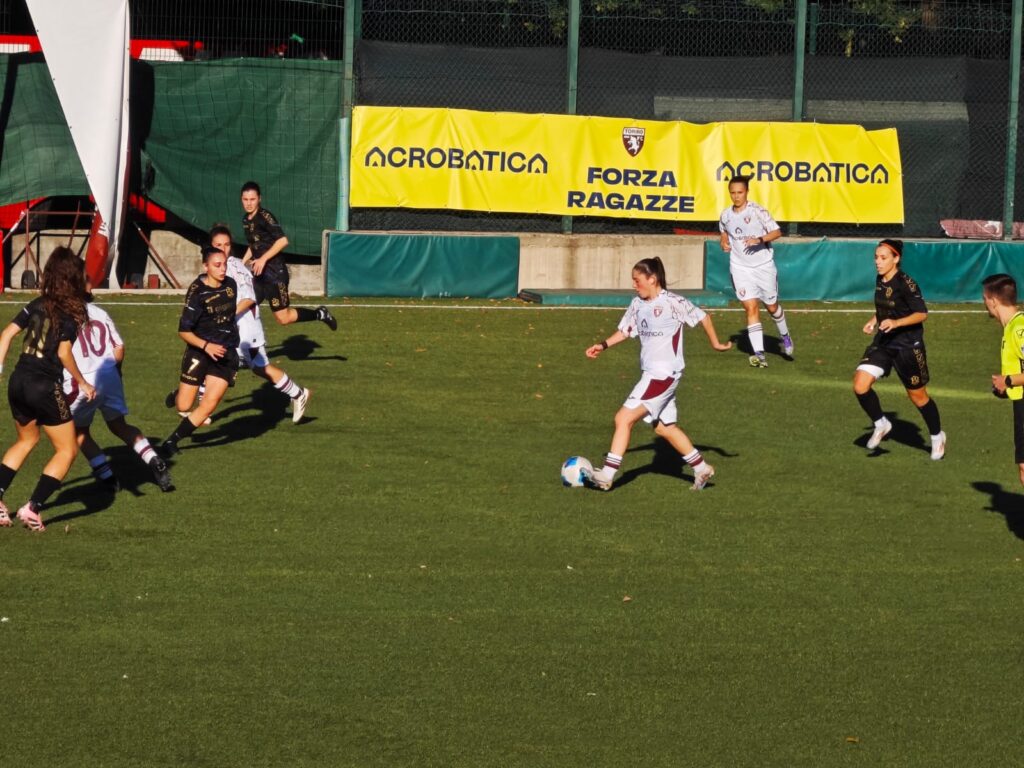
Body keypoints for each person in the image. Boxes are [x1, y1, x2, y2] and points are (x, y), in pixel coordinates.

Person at [583, 257, 733, 492]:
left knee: (623, 419)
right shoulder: (637, 304)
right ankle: (702, 468)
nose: (634, 285)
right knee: (664, 428)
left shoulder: (673, 302)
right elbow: (625, 331)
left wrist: (715, 343)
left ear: (652, 279)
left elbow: (703, 317)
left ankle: (607, 475)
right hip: (653, 374)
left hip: (662, 375)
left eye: (637, 280)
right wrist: (602, 345)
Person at [0, 247, 96, 531]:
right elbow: (65, 353)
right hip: (43, 385)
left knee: (26, 441)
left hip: (17, 381)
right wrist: (83, 381)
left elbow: (6, 334)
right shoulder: (70, 313)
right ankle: (33, 508)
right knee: (67, 450)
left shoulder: (37, 303)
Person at [63, 294, 173, 493]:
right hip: (109, 374)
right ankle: (153, 458)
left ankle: (107, 477)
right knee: (119, 425)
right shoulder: (99, 312)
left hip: (83, 379)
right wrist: (117, 371)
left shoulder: (62, 314)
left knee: (78, 431)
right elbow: (119, 347)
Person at [853, 239, 945, 459]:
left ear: (896, 259)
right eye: (876, 257)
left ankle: (937, 437)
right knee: (860, 385)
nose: (877, 262)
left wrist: (896, 323)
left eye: (883, 258)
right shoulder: (880, 280)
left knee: (918, 397)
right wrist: (874, 320)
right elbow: (885, 307)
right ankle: (881, 423)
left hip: (907, 346)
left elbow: (921, 314)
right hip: (884, 343)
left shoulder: (906, 284)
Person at [212, 225, 311, 422]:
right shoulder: (218, 266)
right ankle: (298, 394)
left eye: (226, 245)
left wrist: (223, 316)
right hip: (237, 327)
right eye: (218, 245)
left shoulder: (235, 268)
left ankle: (298, 394)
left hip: (247, 329)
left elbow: (249, 299)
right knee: (243, 365)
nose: (223, 249)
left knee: (249, 365)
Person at [161, 245, 240, 456]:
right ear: (205, 266)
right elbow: (183, 331)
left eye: (224, 264)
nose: (223, 269)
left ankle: (172, 441)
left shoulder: (231, 285)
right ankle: (180, 393)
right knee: (185, 404)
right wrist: (206, 345)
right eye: (217, 265)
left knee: (208, 406)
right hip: (200, 351)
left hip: (225, 355)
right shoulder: (197, 293)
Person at [240, 180, 337, 330]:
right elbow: (254, 245)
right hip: (259, 275)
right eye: (245, 200)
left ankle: (319, 314)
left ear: (260, 199)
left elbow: (283, 241)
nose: (249, 203)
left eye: (252, 199)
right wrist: (242, 262)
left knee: (283, 318)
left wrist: (263, 259)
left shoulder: (265, 217)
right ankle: (246, 347)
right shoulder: (246, 220)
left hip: (275, 274)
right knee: (246, 306)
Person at [719, 175, 792, 367]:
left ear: (747, 192)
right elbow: (724, 230)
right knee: (751, 307)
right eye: (733, 193)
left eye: (740, 192)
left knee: (772, 307)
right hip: (740, 268)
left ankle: (785, 335)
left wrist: (759, 240)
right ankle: (759, 355)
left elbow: (777, 232)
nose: (736, 196)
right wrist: (723, 240)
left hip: (763, 267)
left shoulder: (758, 211)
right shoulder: (725, 214)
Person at [982, 273, 1024, 487]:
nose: (984, 304)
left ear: (994, 300)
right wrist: (1005, 387)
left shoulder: (1019, 329)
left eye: (985, 299)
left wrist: (1007, 381)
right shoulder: (1012, 328)